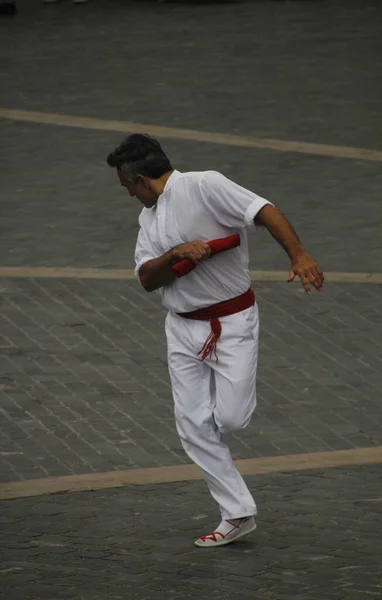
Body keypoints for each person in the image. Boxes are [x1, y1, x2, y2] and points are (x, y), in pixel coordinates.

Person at [107, 134, 324, 548]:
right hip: (182, 327)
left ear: (141, 180)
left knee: (229, 420)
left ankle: (230, 485)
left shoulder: (204, 185)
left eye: (126, 186)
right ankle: (237, 512)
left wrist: (298, 255)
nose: (127, 194)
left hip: (233, 322)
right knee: (192, 424)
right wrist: (174, 256)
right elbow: (148, 281)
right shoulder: (148, 221)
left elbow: (263, 210)